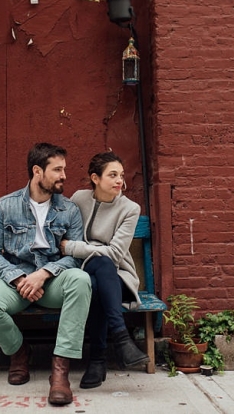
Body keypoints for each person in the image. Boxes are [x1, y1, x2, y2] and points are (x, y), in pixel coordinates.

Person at [0, 142, 92, 406]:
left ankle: (60, 370)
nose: (64, 175)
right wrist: (17, 277)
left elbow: (73, 255)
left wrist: (45, 273)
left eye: (64, 169)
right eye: (57, 169)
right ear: (37, 171)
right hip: (16, 279)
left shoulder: (69, 210)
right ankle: (19, 352)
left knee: (81, 280)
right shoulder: (5, 206)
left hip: (52, 281)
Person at [60, 151, 150, 389]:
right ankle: (119, 342)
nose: (119, 180)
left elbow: (115, 254)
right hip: (83, 272)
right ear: (95, 178)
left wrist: (73, 247)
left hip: (118, 277)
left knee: (102, 271)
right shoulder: (78, 199)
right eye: (112, 175)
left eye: (121, 175)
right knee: (95, 276)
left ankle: (99, 359)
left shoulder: (130, 208)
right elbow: (63, 229)